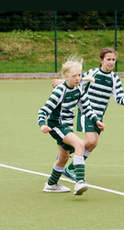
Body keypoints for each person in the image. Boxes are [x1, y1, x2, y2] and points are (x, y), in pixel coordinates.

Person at [52, 47, 124, 181]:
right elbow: (77, 80)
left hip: (99, 116)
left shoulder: (114, 78)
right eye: (108, 59)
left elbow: (119, 99)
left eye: (113, 60)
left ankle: (70, 168)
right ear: (101, 60)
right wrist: (62, 82)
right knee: (90, 140)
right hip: (86, 111)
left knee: (93, 144)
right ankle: (69, 149)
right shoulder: (93, 73)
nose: (111, 62)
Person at [38, 55, 105, 195]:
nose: (78, 78)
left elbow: (87, 108)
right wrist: (42, 124)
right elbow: (44, 110)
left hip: (66, 126)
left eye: (79, 75)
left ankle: (51, 184)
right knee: (79, 144)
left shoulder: (79, 89)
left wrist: (96, 120)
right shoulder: (59, 91)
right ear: (65, 76)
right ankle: (80, 182)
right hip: (56, 125)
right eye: (74, 75)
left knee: (63, 158)